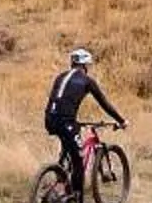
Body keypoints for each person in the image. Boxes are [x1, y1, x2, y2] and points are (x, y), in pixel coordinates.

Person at [43, 48, 124, 189]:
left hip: (50, 119)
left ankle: (61, 181)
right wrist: (121, 120)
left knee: (68, 148)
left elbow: (60, 100)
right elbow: (104, 103)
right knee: (78, 163)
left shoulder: (60, 77)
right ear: (85, 65)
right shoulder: (87, 81)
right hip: (66, 122)